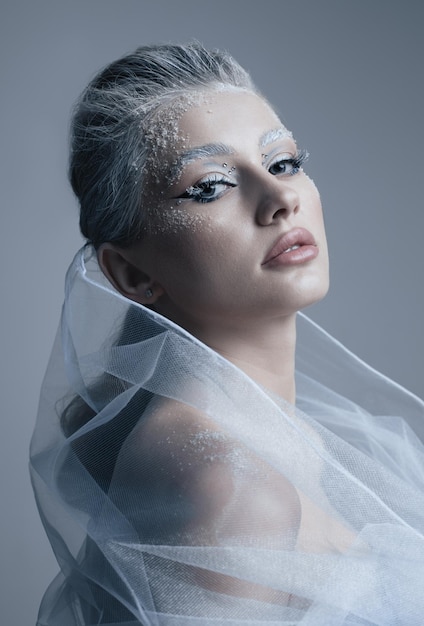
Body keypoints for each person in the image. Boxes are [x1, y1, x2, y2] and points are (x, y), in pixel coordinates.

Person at [30, 42, 424, 625]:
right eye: (210, 185)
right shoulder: (226, 480)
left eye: (283, 162)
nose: (281, 199)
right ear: (132, 273)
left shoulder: (280, 437)